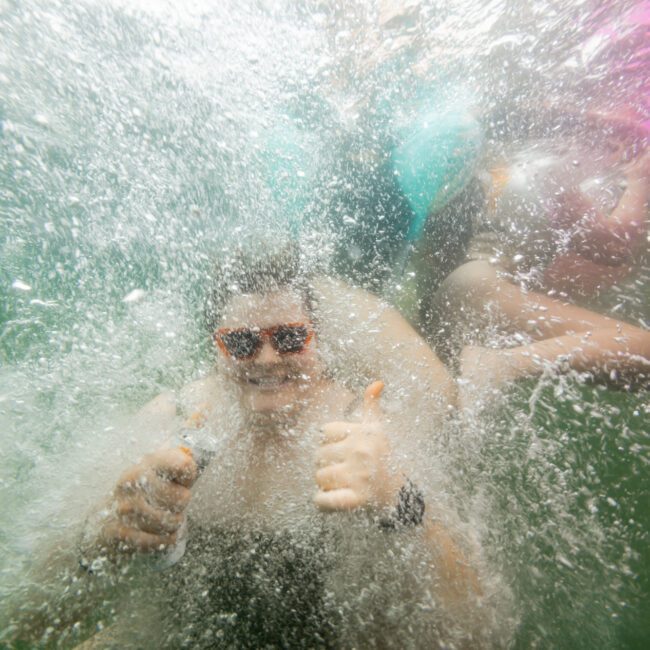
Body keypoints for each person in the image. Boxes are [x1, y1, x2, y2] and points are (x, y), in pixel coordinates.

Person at [5, 245, 506, 649]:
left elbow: (478, 632)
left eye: (289, 338)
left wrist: (397, 499)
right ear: (214, 347)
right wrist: (102, 537)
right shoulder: (170, 419)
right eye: (242, 343)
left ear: (317, 339)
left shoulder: (365, 428)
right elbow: (22, 622)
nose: (267, 359)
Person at [427, 145, 650, 405]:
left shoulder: (516, 162)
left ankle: (496, 365)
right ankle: (496, 365)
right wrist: (641, 178)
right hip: (480, 292)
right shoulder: (550, 170)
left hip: (463, 290)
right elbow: (613, 246)